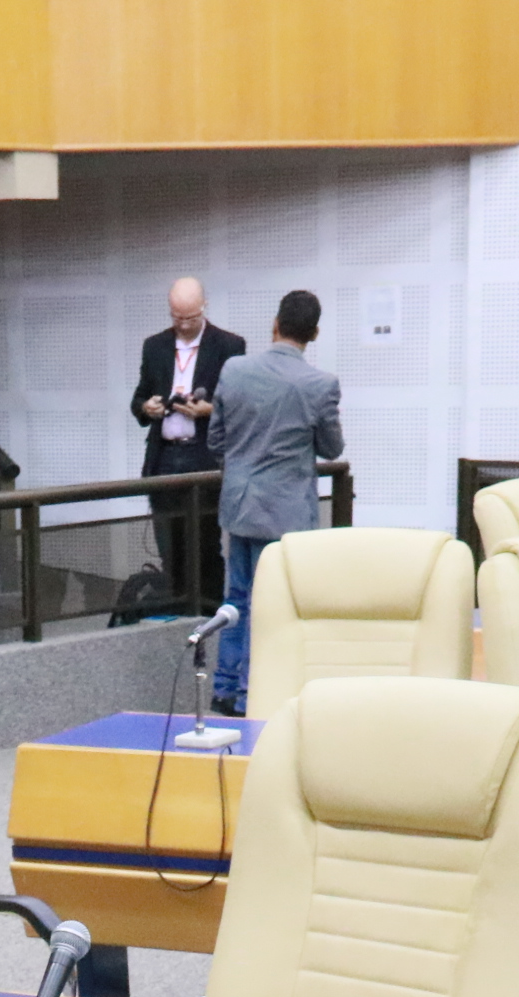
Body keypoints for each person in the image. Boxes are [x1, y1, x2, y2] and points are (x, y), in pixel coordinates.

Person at [208, 289, 342, 716]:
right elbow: (332, 448)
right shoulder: (320, 385)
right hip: (286, 514)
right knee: (272, 606)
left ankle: (224, 687)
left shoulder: (234, 369)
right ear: (314, 333)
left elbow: (216, 440)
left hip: (240, 505)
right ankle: (252, 693)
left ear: (275, 324)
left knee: (236, 598)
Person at [131, 277, 246, 612]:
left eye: (190, 318)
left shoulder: (228, 345)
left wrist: (209, 410)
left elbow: (239, 403)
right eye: (176, 318)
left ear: (204, 308)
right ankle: (174, 610)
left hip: (204, 455)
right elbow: (138, 398)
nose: (183, 325)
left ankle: (209, 611)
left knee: (205, 543)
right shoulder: (155, 346)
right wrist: (147, 408)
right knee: (170, 544)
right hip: (165, 455)